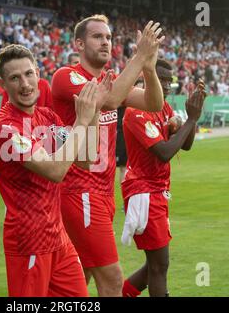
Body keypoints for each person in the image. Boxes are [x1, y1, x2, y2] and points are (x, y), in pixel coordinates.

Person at [51, 15, 164, 296]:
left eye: (109, 37)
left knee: (80, 277)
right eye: (97, 37)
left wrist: (149, 68)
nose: (105, 42)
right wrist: (139, 56)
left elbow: (154, 103)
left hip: (102, 191)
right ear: (79, 43)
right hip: (80, 190)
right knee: (112, 279)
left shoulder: (109, 79)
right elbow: (110, 100)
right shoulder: (67, 76)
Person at [0, 44, 111, 296]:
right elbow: (55, 170)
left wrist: (96, 111)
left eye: (29, 74)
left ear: (38, 74)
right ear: (1, 83)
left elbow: (87, 159)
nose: (25, 84)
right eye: (14, 77)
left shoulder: (47, 117)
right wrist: (81, 121)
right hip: (29, 241)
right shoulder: (5, 128)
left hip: (59, 238)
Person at [120, 60, 206, 297]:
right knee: (159, 266)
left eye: (170, 80)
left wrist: (193, 117)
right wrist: (189, 120)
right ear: (146, 78)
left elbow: (185, 146)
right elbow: (165, 152)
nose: (167, 85)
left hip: (157, 191)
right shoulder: (136, 111)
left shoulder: (164, 108)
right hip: (143, 191)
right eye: (162, 79)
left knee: (153, 266)